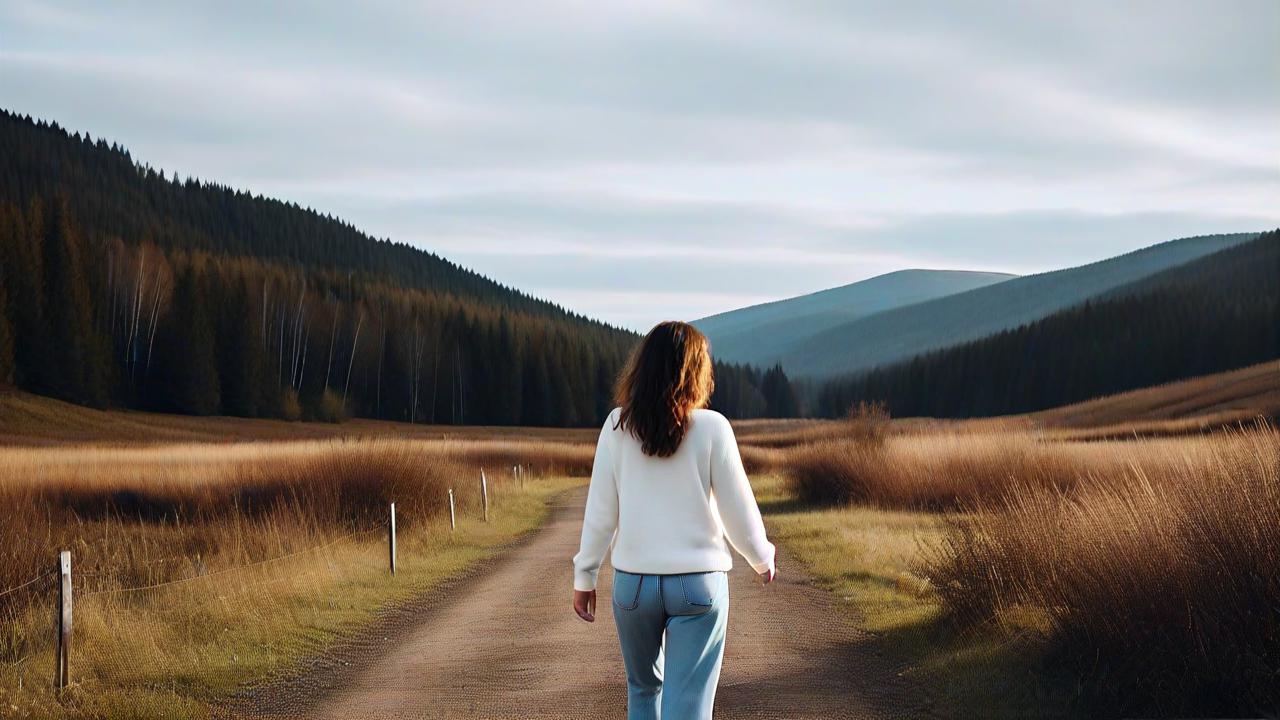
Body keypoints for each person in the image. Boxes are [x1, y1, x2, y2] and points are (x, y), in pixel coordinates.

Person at [571, 320, 776, 720]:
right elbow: (738, 509)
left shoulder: (616, 426)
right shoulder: (713, 428)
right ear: (696, 371)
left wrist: (585, 577)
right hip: (698, 585)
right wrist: (761, 557)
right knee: (688, 703)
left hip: (633, 586)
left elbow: (601, 513)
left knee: (643, 691)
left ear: (642, 368)